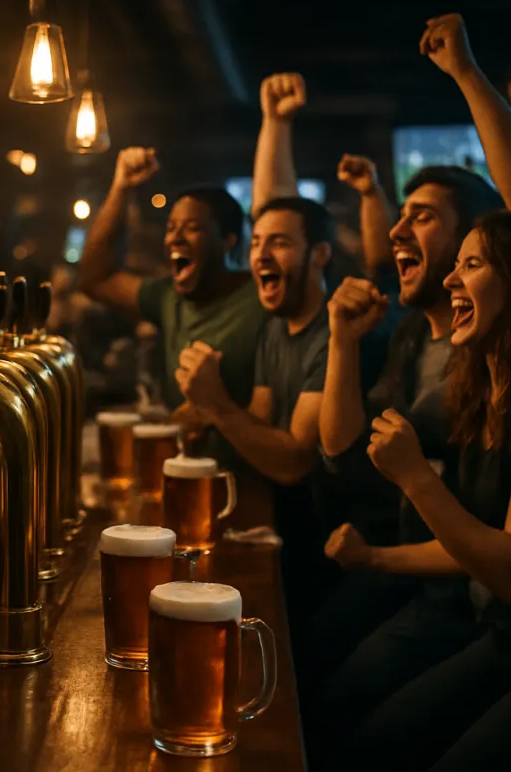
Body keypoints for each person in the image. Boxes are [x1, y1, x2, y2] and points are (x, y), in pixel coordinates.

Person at [309, 13, 511, 761]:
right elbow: (340, 451)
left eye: (469, 261)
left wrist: (466, 75)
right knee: (351, 719)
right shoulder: (472, 370)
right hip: (494, 624)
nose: (449, 274)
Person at [327, 210, 511, 771]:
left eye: (472, 265)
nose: (451, 281)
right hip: (508, 638)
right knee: (363, 743)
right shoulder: (485, 389)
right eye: (453, 268)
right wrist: (373, 558)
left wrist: (415, 477)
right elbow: (473, 544)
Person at [177, 72, 337, 626]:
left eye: (281, 244)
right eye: (257, 243)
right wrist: (203, 412)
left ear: (320, 256)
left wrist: (217, 405)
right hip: (292, 533)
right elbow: (263, 426)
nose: (262, 254)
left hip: (341, 550)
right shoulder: (276, 326)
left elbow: (292, 460)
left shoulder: (335, 331)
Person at [79, 147, 268, 464]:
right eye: (170, 228)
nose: (175, 239)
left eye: (192, 228)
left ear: (228, 240)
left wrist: (213, 409)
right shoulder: (169, 296)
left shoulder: (261, 299)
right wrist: (121, 188)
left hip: (247, 486)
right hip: (182, 476)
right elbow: (96, 279)